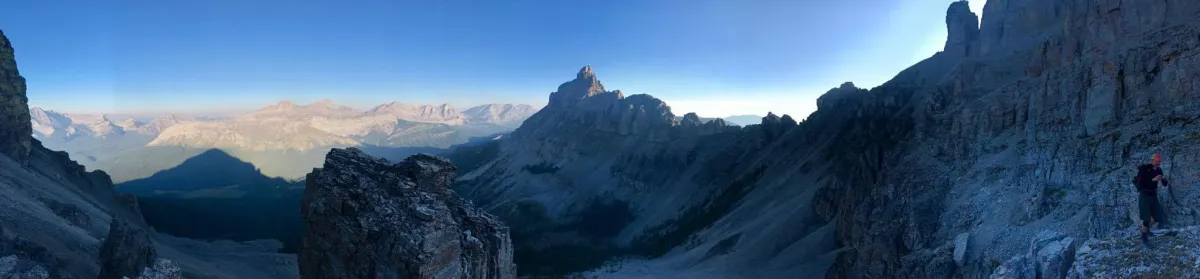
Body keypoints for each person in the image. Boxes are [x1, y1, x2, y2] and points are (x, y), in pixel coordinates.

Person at [1132, 153, 1169, 247]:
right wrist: (1153, 180)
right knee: (1146, 218)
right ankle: (1144, 237)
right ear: (1152, 160)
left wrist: (1164, 179)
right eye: (1156, 161)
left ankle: (1146, 230)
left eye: (1159, 161)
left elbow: (1164, 184)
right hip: (1145, 194)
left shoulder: (1159, 169)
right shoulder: (1144, 168)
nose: (1158, 163)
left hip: (1153, 194)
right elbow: (1141, 183)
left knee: (1157, 216)